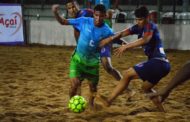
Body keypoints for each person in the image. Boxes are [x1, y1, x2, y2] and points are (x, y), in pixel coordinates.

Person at [97, 6, 171, 112]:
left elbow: (145, 39)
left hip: (158, 62)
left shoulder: (150, 25)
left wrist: (126, 46)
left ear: (147, 17)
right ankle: (162, 110)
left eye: (140, 19)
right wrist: (109, 38)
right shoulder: (138, 27)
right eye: (136, 19)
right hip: (162, 65)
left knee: (127, 74)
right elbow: (122, 33)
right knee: (145, 88)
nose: (138, 21)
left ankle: (108, 101)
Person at [52, 4, 118, 109]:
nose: (98, 18)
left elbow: (116, 38)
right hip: (77, 60)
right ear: (93, 15)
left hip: (93, 64)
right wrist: (55, 13)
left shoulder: (107, 30)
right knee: (74, 85)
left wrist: (126, 46)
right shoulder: (84, 21)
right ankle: (72, 104)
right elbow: (63, 21)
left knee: (93, 90)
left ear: (105, 16)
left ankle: (91, 106)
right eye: (96, 15)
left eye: (101, 16)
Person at [64, 0, 122, 82]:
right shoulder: (78, 19)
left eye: (73, 6)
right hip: (94, 44)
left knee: (107, 66)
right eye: (69, 8)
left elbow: (106, 28)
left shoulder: (84, 14)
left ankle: (126, 87)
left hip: (103, 39)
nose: (72, 10)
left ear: (78, 5)